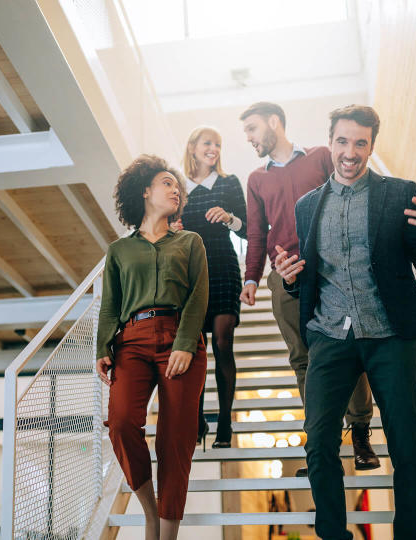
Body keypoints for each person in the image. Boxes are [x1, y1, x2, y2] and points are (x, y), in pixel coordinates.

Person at [274, 105, 416, 539]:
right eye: (343, 141)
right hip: (330, 335)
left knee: (406, 444)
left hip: (391, 335)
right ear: (329, 142)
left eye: (360, 143)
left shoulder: (397, 192)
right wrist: (290, 280)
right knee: (318, 443)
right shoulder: (306, 207)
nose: (350, 152)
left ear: (372, 145)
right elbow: (308, 278)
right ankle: (334, 535)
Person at [238, 102, 378, 475]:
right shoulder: (256, 179)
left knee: (350, 350)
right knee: (303, 360)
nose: (249, 139)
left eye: (252, 129)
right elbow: (256, 232)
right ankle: (321, 443)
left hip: (330, 270)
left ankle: (361, 431)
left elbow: (350, 193)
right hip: (285, 277)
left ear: (273, 122)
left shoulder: (320, 157)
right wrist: (251, 277)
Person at [96, 155, 209, 540]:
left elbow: (198, 295)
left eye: (177, 185)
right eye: (166, 182)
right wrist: (102, 346)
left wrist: (185, 343)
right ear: (145, 191)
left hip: (180, 337)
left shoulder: (190, 242)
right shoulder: (119, 251)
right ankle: (150, 509)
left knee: (176, 438)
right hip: (132, 341)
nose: (175, 188)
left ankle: (167, 532)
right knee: (122, 422)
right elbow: (110, 303)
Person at [175, 126, 247, 449]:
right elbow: (165, 228)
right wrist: (172, 228)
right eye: (208, 143)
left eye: (218, 144)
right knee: (197, 349)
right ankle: (197, 419)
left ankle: (225, 426)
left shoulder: (229, 183)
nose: (214, 148)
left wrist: (230, 217)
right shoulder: (179, 187)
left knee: (222, 342)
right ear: (193, 147)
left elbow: (248, 229)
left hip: (224, 267)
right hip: (191, 272)